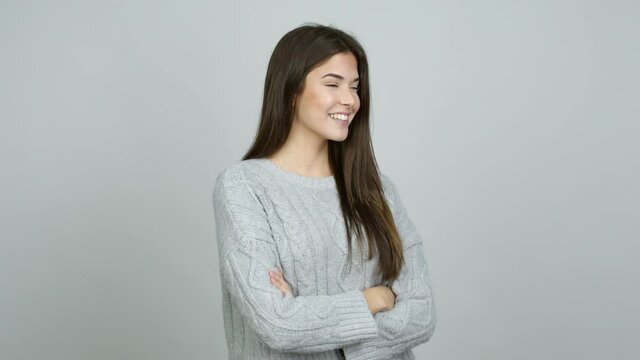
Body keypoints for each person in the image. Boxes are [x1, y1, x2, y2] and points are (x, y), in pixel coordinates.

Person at [212, 23, 436, 360]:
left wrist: (310, 316)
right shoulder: (243, 187)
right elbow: (278, 324)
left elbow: (421, 315)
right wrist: (373, 299)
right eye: (333, 84)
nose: (350, 100)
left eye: (355, 87)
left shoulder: (376, 189)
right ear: (291, 91)